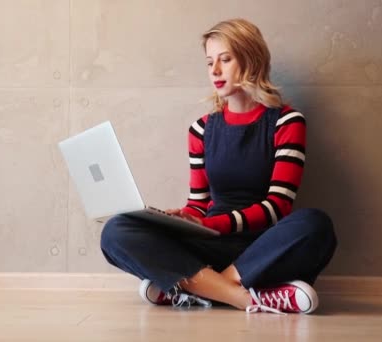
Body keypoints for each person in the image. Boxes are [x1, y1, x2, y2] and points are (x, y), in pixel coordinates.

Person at [100, 18, 337, 314]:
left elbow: (278, 207)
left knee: (315, 225)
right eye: (209, 62)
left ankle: (193, 289)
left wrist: (209, 223)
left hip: (262, 248)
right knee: (116, 231)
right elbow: (199, 204)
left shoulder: (287, 122)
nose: (214, 71)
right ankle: (247, 298)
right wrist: (184, 217)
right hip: (209, 245)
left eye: (225, 60)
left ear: (251, 60)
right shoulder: (199, 130)